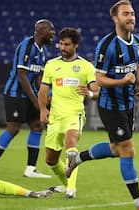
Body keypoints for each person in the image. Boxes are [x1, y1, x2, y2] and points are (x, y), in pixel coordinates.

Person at [66, 1, 139, 209]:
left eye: (133, 13)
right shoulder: (107, 45)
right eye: (126, 14)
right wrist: (122, 81)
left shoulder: (138, 42)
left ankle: (79, 158)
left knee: (117, 149)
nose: (131, 17)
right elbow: (99, 79)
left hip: (128, 104)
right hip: (110, 105)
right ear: (115, 18)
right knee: (128, 148)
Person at [0, 19, 55, 178]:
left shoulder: (42, 51)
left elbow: (38, 77)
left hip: (30, 95)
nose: (53, 34)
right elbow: (21, 75)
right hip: (16, 94)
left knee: (37, 126)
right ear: (40, 31)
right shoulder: (26, 46)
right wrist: (35, 100)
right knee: (14, 128)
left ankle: (30, 169)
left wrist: (43, 96)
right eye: (51, 31)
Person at [38, 27, 99, 199]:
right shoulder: (51, 65)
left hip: (75, 114)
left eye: (67, 44)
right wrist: (43, 110)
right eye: (61, 43)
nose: (62, 47)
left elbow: (97, 90)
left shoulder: (86, 66)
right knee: (50, 159)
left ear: (76, 46)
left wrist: (91, 93)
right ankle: (66, 184)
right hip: (55, 117)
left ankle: (71, 190)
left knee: (71, 145)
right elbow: (42, 91)